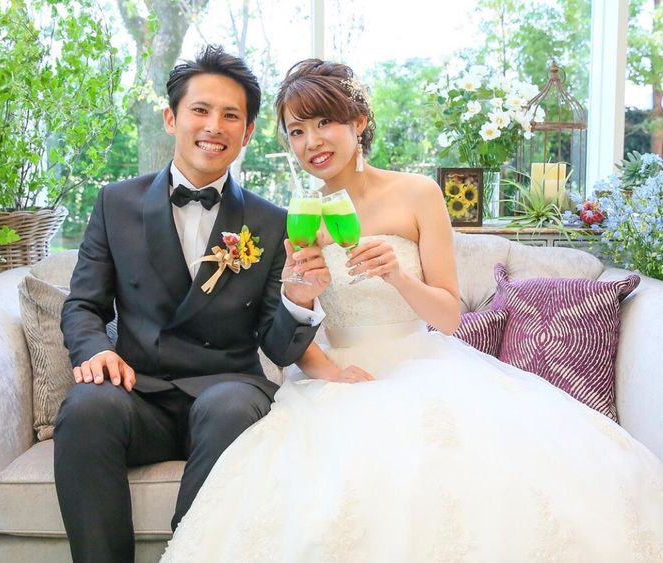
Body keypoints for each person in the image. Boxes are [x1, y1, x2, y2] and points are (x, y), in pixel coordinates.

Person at [159, 59, 663, 562]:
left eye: (324, 122)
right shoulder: (301, 215)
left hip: (421, 362)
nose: (312, 141)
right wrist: (317, 336)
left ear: (358, 121)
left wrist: (398, 276)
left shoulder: (417, 194)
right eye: (297, 130)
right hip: (338, 376)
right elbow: (294, 330)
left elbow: (447, 317)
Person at [54, 46, 331, 563]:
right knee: (86, 406)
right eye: (200, 110)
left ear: (247, 133)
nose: (214, 127)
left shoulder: (271, 222)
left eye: (231, 116)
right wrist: (95, 350)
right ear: (171, 118)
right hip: (141, 395)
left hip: (228, 391)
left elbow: (277, 345)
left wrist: (298, 299)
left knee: (227, 408)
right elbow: (84, 305)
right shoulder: (116, 202)